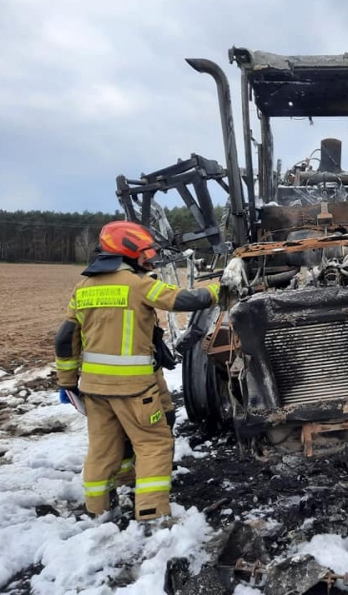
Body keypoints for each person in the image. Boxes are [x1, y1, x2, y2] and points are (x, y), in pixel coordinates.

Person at [54, 220, 220, 523]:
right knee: (153, 444)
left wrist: (67, 383)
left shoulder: (83, 288)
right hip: (134, 389)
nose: (149, 259)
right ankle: (151, 514)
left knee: (103, 449)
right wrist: (222, 289)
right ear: (127, 251)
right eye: (145, 253)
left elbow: (65, 339)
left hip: (94, 389)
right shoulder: (137, 284)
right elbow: (183, 300)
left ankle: (98, 510)